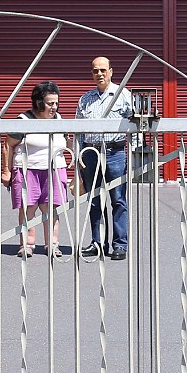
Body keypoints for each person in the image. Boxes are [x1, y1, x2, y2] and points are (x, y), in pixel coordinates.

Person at [1, 81, 69, 259]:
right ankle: (27, 244)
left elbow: (66, 142)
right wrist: (6, 171)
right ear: (39, 102)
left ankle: (52, 244)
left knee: (51, 209)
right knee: (28, 208)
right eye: (50, 103)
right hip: (27, 170)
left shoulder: (59, 120)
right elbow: (8, 146)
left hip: (54, 170)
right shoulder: (23, 121)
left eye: (56, 103)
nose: (54, 107)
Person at [75, 56, 133, 261]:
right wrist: (78, 158)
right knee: (94, 201)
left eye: (102, 70)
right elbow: (77, 131)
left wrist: (134, 153)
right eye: (94, 70)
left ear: (111, 71)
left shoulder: (123, 95)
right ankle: (97, 243)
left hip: (114, 153)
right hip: (90, 155)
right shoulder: (85, 99)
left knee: (118, 200)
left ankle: (119, 245)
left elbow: (135, 125)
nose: (99, 74)